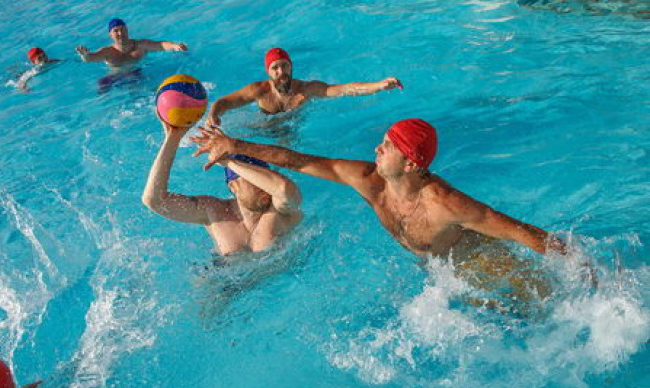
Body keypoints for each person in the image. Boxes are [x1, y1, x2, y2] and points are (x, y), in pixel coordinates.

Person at [192, 119, 567, 261]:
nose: (376, 149)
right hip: (437, 271)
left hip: (480, 265)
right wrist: (235, 146)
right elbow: (299, 161)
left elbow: (518, 231)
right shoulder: (369, 179)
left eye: (387, 146)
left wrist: (577, 262)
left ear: (411, 164)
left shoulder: (446, 204)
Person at [143, 121, 302, 256]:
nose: (265, 188)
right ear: (233, 186)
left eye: (265, 180)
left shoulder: (281, 210)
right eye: (254, 181)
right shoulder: (214, 211)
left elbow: (283, 189)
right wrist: (173, 137)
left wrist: (228, 162)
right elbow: (154, 200)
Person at [206, 48, 403, 127]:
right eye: (275, 68)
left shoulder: (307, 89)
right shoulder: (258, 90)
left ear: (291, 66)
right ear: (268, 72)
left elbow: (345, 88)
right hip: (264, 127)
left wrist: (379, 85)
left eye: (285, 65)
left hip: (293, 127)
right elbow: (225, 102)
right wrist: (214, 114)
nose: (281, 71)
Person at [75, 18, 187, 68]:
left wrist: (175, 45)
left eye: (122, 29)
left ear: (127, 30)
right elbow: (90, 58)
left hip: (136, 73)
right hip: (114, 78)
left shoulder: (140, 45)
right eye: (116, 31)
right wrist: (84, 55)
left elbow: (160, 45)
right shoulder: (108, 51)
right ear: (110, 35)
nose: (120, 33)